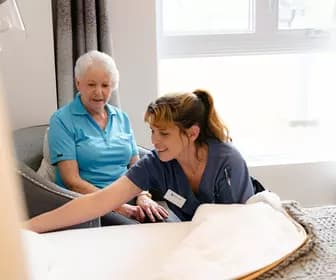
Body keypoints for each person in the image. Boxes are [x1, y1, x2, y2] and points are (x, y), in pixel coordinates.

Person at [25, 89, 255, 233]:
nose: (154, 141)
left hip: (235, 232)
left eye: (164, 133)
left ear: (192, 133)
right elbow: (98, 202)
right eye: (152, 131)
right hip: (195, 235)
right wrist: (28, 227)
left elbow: (238, 228)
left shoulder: (227, 162)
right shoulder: (157, 163)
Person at [48, 50, 168, 224]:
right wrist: (116, 205)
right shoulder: (62, 120)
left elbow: (136, 165)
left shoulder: (121, 117)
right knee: (142, 234)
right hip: (90, 202)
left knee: (166, 224)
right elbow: (71, 181)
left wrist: (143, 196)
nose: (99, 92)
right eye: (91, 85)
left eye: (105, 85)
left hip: (128, 196)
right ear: (78, 83)